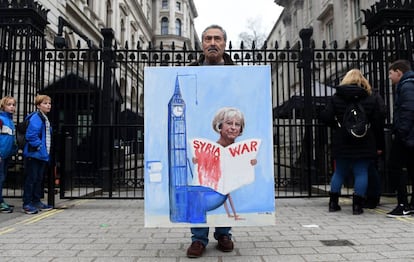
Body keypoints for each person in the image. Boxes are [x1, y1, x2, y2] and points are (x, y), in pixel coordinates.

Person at [186, 24, 235, 258]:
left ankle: (224, 233)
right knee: (201, 184)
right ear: (202, 44)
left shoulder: (239, 72)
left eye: (217, 38)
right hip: (201, 136)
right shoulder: (189, 71)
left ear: (225, 43)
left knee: (225, 184)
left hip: (226, 138)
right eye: (207, 39)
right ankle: (199, 238)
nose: (212, 43)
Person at [320, 69, 385, 215]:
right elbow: (377, 121)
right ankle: (357, 206)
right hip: (365, 140)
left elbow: (326, 116)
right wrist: (379, 144)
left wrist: (338, 127)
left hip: (342, 140)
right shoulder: (370, 97)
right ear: (363, 80)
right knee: (361, 172)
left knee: (339, 172)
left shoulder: (336, 97)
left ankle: (333, 203)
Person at [386, 59, 414, 217]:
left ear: (399, 72)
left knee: (394, 167)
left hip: (407, 135)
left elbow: (409, 109)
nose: (389, 77)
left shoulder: (407, 85)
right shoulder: (408, 84)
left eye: (390, 73)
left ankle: (402, 204)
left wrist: (401, 132)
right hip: (410, 135)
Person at [22, 94, 53, 215]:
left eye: (49, 103)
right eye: (45, 103)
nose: (48, 105)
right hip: (34, 154)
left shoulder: (44, 118)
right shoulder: (36, 118)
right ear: (39, 105)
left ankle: (36, 201)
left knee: (38, 179)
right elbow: (31, 135)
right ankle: (27, 204)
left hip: (41, 154)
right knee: (31, 179)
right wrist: (40, 147)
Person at [0, 96, 17, 213]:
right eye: (9, 104)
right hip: (1, 155)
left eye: (13, 105)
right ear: (3, 106)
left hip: (6, 155)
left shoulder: (9, 120)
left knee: (2, 178)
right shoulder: (1, 119)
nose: (12, 107)